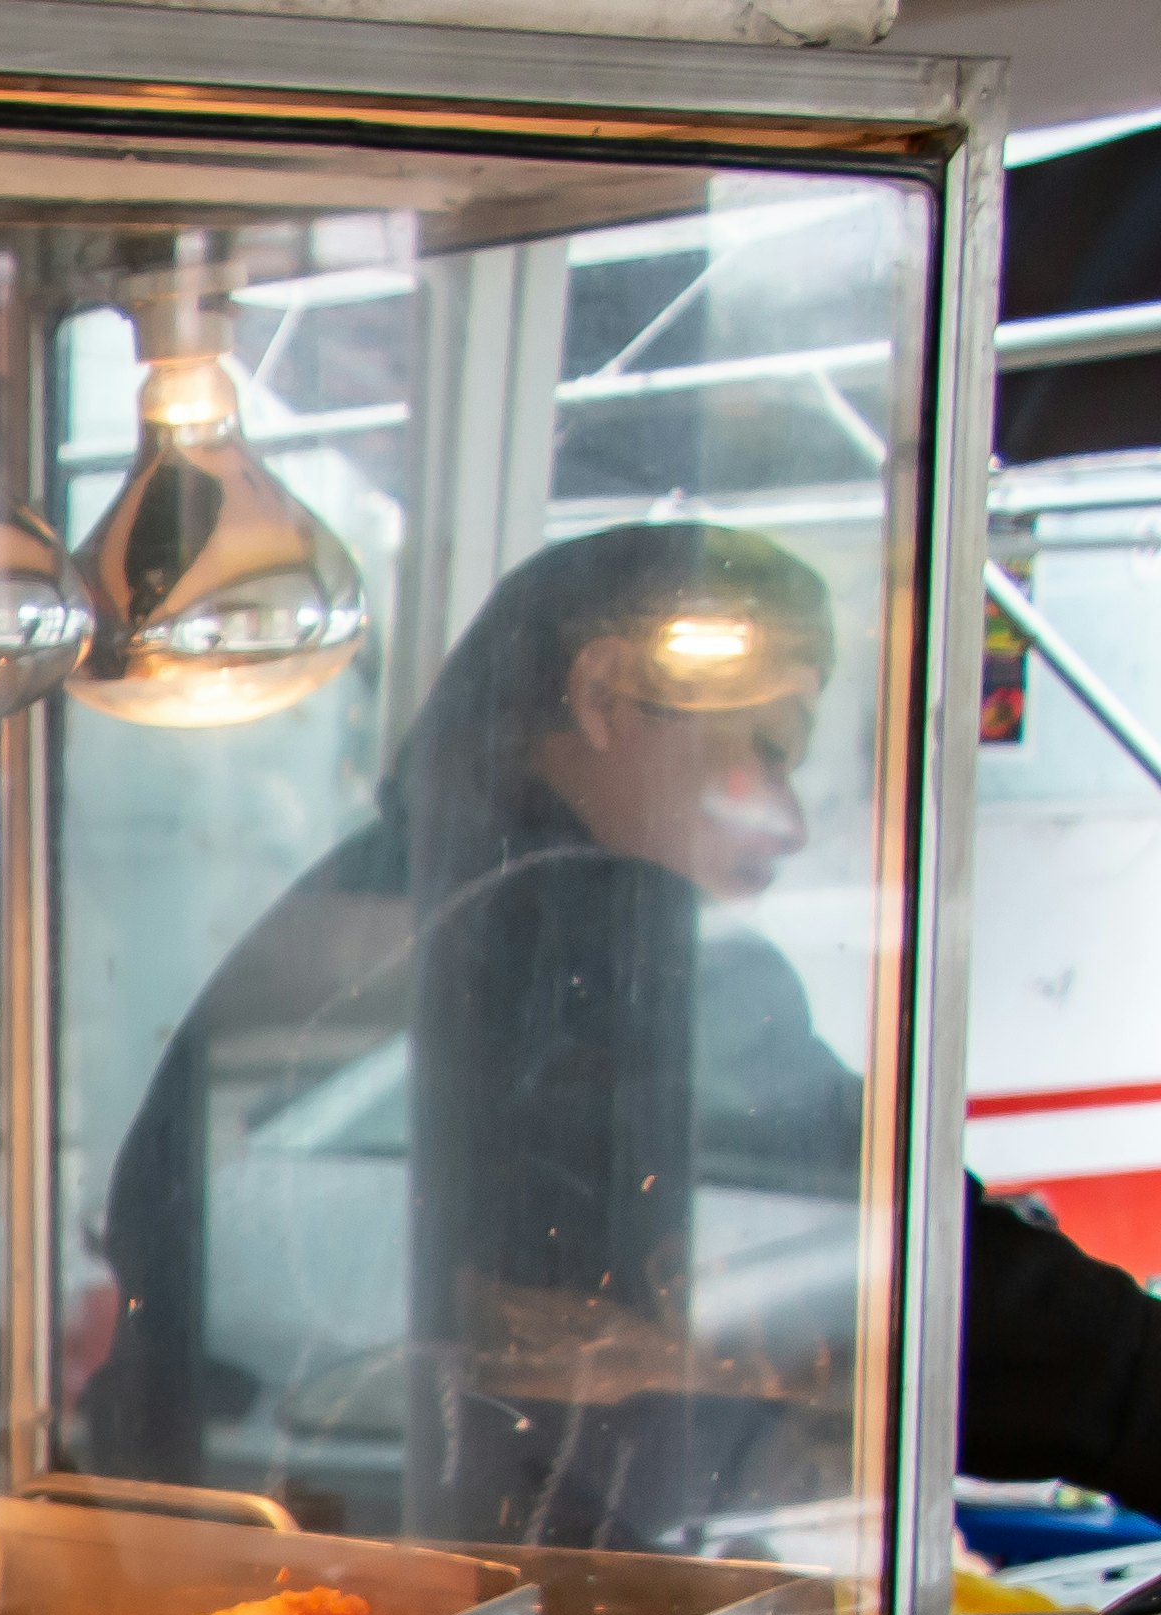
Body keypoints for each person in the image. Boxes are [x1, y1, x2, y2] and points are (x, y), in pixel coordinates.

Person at [87, 521, 1161, 1542]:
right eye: (766, 749)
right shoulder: (597, 928)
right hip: (402, 1588)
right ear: (603, 695)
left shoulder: (375, 897)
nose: (785, 822)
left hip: (256, 1550)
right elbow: (893, 1246)